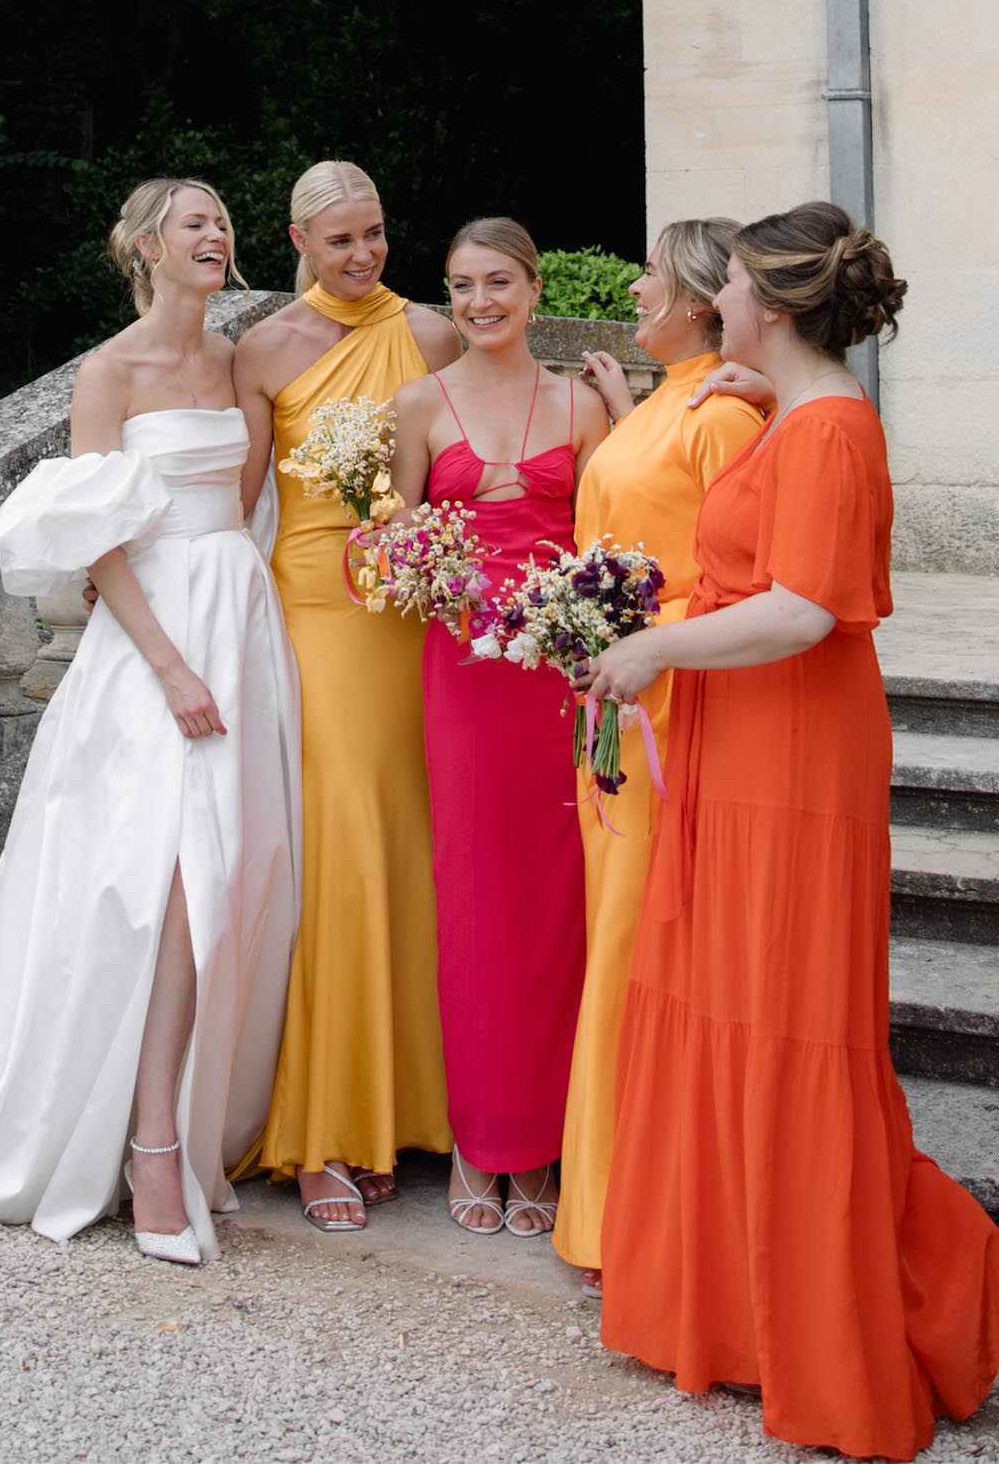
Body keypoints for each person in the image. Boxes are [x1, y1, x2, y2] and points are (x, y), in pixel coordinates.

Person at [584, 201, 999, 1455]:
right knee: (727, 998)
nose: (711, 301)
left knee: (780, 1011)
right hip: (748, 739)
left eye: (726, 287)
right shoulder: (800, 412)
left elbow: (797, 609)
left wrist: (652, 645)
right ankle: (736, 1313)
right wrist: (757, 393)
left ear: (771, 306)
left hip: (793, 750)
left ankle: (856, 1329)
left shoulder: (832, 429)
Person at [0, 178, 301, 1268]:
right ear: (144, 247)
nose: (216, 235)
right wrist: (169, 663)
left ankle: (184, 1132)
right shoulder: (108, 371)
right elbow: (96, 539)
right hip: (155, 644)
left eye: (223, 222)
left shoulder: (238, 360)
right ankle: (144, 1147)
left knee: (231, 876)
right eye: (195, 223)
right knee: (156, 886)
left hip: (240, 616)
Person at [231, 160, 462, 1230]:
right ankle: (327, 1123)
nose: (363, 256)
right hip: (314, 618)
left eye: (374, 235)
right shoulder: (263, 348)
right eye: (340, 242)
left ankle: (412, 1110)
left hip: (410, 617)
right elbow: (231, 503)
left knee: (414, 849)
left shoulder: (432, 332)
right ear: (295, 241)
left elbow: (487, 456)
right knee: (340, 852)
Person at [554, 218, 765, 1295]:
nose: (630, 286)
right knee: (612, 939)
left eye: (646, 273)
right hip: (616, 701)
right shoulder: (668, 402)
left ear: (688, 297)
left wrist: (629, 633)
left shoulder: (723, 414)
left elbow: (730, 575)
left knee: (638, 940)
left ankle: (633, 1205)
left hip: (669, 707)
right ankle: (608, 1198)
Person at [389, 217, 610, 1237]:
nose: (479, 303)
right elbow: (393, 543)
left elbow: (614, 540)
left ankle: (555, 1143)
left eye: (497, 284)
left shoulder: (579, 404)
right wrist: (407, 561)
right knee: (473, 896)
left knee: (561, 900)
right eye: (460, 286)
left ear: (532, 287)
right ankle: (484, 1143)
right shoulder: (415, 407)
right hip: (467, 677)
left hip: (558, 680)